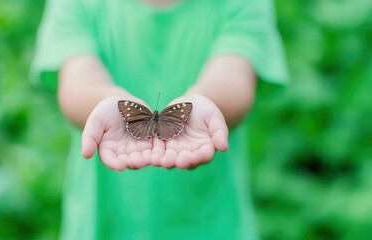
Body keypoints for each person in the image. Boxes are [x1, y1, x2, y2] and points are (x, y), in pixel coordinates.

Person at [31, 0, 288, 239]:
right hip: (103, 222)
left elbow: (233, 79)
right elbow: (77, 82)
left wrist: (202, 104)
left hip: (212, 223)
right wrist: (108, 104)